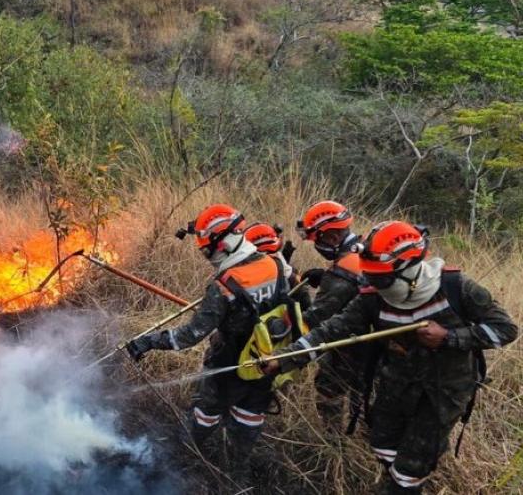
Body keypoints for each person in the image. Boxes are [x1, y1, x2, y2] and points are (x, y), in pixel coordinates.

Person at [262, 220, 518, 494]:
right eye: (370, 276)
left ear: (408, 270)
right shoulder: (374, 297)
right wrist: (285, 358)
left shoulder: (456, 288)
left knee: (410, 468)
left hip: (443, 393)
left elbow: (505, 330)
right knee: (382, 444)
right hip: (396, 385)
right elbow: (332, 329)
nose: (373, 283)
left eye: (380, 278)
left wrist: (449, 337)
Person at [126, 204, 294, 475]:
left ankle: (187, 458)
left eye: (208, 250)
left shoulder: (224, 285)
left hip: (228, 365)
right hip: (267, 362)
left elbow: (190, 336)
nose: (207, 256)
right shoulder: (275, 265)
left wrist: (147, 342)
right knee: (249, 418)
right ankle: (236, 473)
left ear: (225, 243)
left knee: (205, 413)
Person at [295, 200, 366, 428]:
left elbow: (315, 318)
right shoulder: (364, 248)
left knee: (329, 386)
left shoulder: (344, 270)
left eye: (317, 239)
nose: (316, 245)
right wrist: (324, 276)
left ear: (333, 237)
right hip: (378, 340)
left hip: (356, 344)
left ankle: (333, 439)